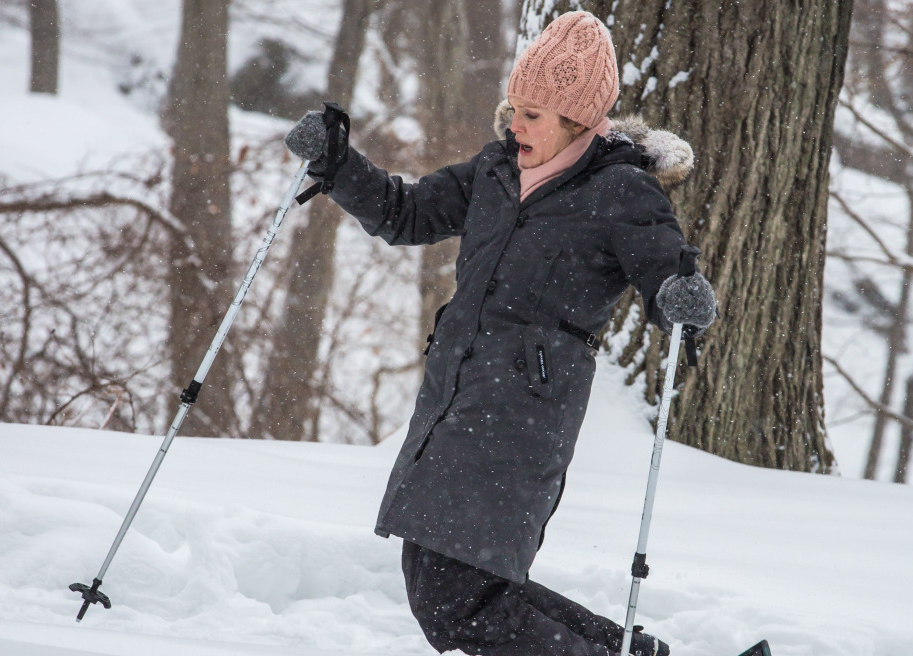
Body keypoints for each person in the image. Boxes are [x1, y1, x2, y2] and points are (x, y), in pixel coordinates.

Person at [285, 11, 717, 656]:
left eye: (534, 114)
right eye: (515, 107)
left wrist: (680, 299)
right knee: (460, 587)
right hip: (454, 397)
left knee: (457, 603)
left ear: (580, 121)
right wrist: (338, 162)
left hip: (524, 411)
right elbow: (406, 214)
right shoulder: (493, 171)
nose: (515, 124)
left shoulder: (621, 191)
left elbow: (665, 274)